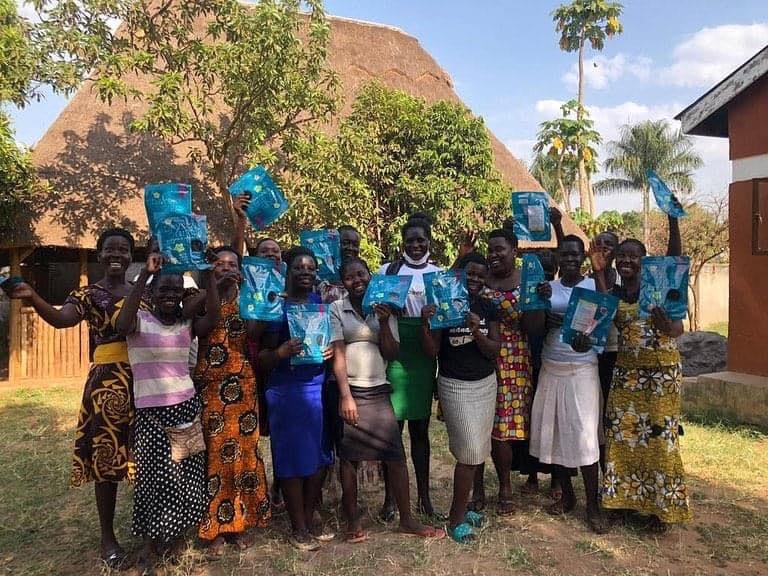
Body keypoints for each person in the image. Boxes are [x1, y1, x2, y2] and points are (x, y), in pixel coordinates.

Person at [8, 228, 140, 568]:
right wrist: (33, 298)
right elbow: (63, 320)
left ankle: (150, 525)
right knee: (108, 460)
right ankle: (107, 538)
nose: (116, 254)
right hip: (108, 385)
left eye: (123, 249)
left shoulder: (146, 292)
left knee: (148, 456)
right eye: (109, 249)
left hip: (146, 381)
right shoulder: (87, 295)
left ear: (130, 255)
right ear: (99, 255)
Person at [115, 252, 220, 567]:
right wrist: (146, 276)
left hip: (185, 408)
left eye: (176, 290)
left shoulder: (187, 323)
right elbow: (120, 324)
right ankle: (151, 546)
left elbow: (212, 316)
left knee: (184, 477)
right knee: (151, 479)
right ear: (151, 292)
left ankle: (174, 542)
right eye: (164, 289)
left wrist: (210, 275)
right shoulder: (138, 321)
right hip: (150, 414)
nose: (170, 295)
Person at [331, 258, 444, 542]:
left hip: (379, 390)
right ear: (342, 281)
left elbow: (392, 352)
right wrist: (345, 396)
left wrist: (383, 322)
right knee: (349, 458)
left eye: (361, 274)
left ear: (371, 277)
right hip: (351, 392)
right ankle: (352, 520)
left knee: (394, 455)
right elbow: (338, 354)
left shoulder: (385, 310)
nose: (357, 280)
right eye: (349, 276)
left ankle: (406, 519)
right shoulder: (336, 308)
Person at [596, 215, 692, 530]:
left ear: (644, 262)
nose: (625, 260)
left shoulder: (660, 288)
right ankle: (617, 503)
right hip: (626, 375)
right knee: (621, 437)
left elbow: (676, 329)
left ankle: (658, 510)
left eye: (632, 256)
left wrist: (673, 222)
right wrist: (598, 271)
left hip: (662, 376)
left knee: (660, 441)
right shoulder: (614, 294)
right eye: (621, 256)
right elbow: (599, 313)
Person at [194, 246, 271, 555]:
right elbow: (202, 327)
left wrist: (261, 301)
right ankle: (213, 526)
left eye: (231, 264)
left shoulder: (246, 298)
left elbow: (253, 333)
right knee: (215, 454)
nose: (226, 268)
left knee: (244, 454)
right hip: (211, 385)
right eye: (220, 264)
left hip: (244, 383)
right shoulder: (197, 297)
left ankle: (238, 522)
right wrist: (215, 287)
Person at [258, 246, 335, 551]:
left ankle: (308, 513)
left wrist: (328, 352)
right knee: (291, 459)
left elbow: (328, 343)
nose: (306, 273)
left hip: (317, 389)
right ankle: (298, 526)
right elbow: (261, 358)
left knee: (318, 456)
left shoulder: (319, 305)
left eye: (311, 269)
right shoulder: (276, 307)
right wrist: (280, 353)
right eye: (299, 268)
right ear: (286, 271)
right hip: (286, 392)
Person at [529, 234, 607, 533]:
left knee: (585, 435)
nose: (570, 258)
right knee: (557, 431)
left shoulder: (591, 285)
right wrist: (542, 306)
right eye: (565, 254)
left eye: (576, 254)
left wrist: (599, 273)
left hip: (582, 369)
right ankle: (568, 496)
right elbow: (534, 329)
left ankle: (593, 505)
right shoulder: (549, 288)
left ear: (582, 256)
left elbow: (605, 315)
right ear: (558, 258)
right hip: (552, 366)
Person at [420, 252, 500, 543]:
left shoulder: (489, 307)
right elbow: (432, 352)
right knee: (468, 453)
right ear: (460, 275)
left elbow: (493, 350)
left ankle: (464, 511)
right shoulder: (444, 305)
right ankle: (456, 519)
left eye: (481, 275)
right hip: (455, 386)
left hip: (485, 384)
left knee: (479, 450)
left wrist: (477, 331)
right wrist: (425, 323)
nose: (475, 280)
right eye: (470, 275)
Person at [379, 212, 442, 520]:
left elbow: (447, 310)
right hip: (396, 349)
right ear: (402, 243)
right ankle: (391, 498)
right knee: (393, 431)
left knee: (420, 430)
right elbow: (373, 305)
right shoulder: (388, 271)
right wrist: (386, 307)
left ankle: (424, 498)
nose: (416, 244)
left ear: (428, 241)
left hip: (423, 352)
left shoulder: (438, 273)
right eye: (410, 240)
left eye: (421, 239)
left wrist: (433, 313)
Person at [475, 226, 542, 515]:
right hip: (476, 358)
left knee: (503, 428)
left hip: (514, 359)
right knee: (478, 427)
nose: (493, 255)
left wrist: (536, 301)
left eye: (499, 249)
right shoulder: (478, 279)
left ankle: (505, 487)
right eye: (490, 249)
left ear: (515, 251)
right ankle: (477, 487)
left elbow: (533, 329)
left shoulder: (526, 281)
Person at [592, 231, 620, 471]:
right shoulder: (584, 280)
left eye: (609, 244)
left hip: (618, 353)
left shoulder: (625, 279)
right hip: (593, 355)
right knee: (600, 416)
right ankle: (606, 474)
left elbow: (607, 308)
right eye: (598, 243)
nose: (602, 248)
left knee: (616, 415)